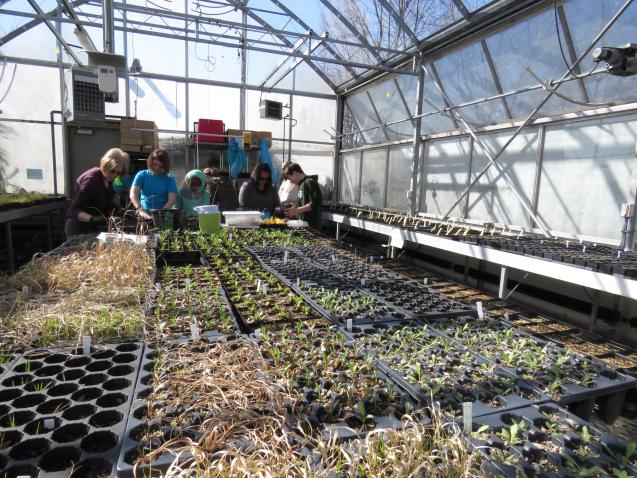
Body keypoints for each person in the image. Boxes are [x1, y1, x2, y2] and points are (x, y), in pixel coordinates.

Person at [65, 148, 129, 238]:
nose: (115, 175)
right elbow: (73, 211)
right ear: (105, 165)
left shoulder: (108, 179)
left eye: (119, 173)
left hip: (92, 228)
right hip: (78, 230)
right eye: (113, 171)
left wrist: (121, 211)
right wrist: (93, 219)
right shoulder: (91, 180)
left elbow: (106, 203)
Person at [130, 149, 178, 220]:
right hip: (143, 213)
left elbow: (172, 200)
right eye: (154, 165)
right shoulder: (142, 175)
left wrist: (160, 214)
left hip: (162, 214)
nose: (156, 168)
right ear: (150, 162)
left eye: (160, 166)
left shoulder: (170, 178)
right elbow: (133, 194)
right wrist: (140, 209)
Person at [283, 163, 323, 230]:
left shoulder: (309, 182)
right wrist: (294, 208)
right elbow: (302, 201)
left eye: (290, 178)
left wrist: (297, 210)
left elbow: (315, 202)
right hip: (304, 224)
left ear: (295, 173)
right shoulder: (300, 185)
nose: (291, 182)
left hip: (312, 225)